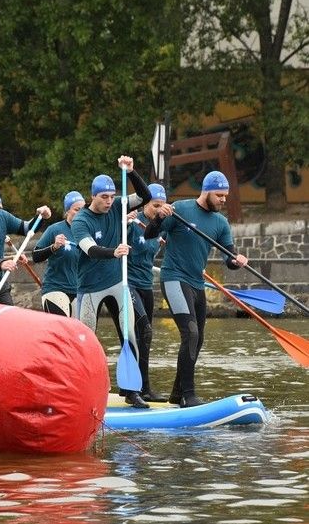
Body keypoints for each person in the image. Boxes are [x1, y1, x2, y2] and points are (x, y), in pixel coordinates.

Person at [144, 171, 248, 407]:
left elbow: (228, 259)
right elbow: (149, 234)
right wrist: (159, 217)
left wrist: (237, 260)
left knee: (197, 339)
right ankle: (189, 396)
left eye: (225, 196)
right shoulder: (180, 209)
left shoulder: (221, 223)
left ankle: (177, 394)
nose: (223, 200)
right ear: (206, 190)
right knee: (190, 334)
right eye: (219, 195)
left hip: (196, 284)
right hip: (174, 278)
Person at [71, 155, 152, 408]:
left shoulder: (119, 205)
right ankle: (80, 392)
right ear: (92, 197)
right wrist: (113, 252)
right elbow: (89, 249)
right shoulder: (81, 220)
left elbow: (146, 196)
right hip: (90, 288)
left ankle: (131, 391)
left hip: (118, 283)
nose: (108, 201)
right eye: (103, 197)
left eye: (111, 196)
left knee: (130, 335)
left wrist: (131, 172)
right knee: (85, 342)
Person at [126, 183, 168, 402]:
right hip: (128, 284)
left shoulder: (160, 227)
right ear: (145, 204)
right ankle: (133, 388)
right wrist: (123, 223)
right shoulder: (132, 223)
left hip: (146, 285)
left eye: (162, 206)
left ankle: (143, 388)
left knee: (145, 339)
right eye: (155, 205)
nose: (158, 209)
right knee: (144, 331)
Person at [32, 190, 85, 317]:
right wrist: (53, 247)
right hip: (55, 289)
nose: (81, 213)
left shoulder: (88, 232)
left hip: (79, 291)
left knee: (78, 335)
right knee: (63, 332)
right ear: (67, 211)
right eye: (76, 210)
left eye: (83, 210)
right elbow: (35, 256)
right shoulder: (54, 229)